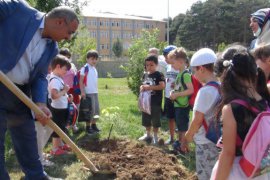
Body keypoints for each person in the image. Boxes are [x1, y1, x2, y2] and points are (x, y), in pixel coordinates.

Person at [0, 0, 79, 179]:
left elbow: (40, 76)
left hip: (19, 93)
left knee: (27, 136)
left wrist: (41, 103)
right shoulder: (18, 9)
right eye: (70, 32)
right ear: (59, 21)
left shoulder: (52, 47)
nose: (69, 37)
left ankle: (36, 176)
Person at [210, 47, 270, 180]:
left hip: (239, 171)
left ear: (228, 75)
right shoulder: (265, 102)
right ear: (256, 73)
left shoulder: (232, 108)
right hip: (262, 170)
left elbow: (228, 154)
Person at [182, 48, 219, 180]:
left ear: (201, 69)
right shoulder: (221, 86)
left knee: (206, 175)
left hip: (205, 142)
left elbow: (197, 120)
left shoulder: (205, 92)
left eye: (194, 70)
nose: (193, 75)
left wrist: (187, 137)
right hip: (218, 140)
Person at [168, 47, 194, 152]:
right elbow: (181, 87)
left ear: (181, 61)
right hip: (178, 105)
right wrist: (173, 91)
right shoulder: (180, 73)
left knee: (183, 129)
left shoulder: (186, 74)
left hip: (183, 106)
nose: (171, 65)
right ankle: (180, 145)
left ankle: (184, 148)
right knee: (180, 127)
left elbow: (190, 90)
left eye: (173, 63)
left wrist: (177, 95)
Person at [138, 55, 165, 144]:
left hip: (155, 102)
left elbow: (162, 86)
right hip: (146, 102)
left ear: (156, 65)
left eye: (151, 65)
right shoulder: (145, 75)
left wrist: (149, 87)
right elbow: (143, 85)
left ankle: (155, 136)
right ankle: (148, 134)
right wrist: (142, 87)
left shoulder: (159, 74)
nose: (149, 67)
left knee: (155, 120)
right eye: (147, 65)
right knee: (146, 119)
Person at [48, 55, 72, 156]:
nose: (66, 72)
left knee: (61, 128)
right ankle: (54, 149)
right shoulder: (54, 80)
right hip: (57, 109)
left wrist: (67, 96)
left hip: (62, 108)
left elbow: (61, 93)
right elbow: (54, 95)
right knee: (57, 130)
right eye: (65, 70)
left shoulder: (58, 78)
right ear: (58, 67)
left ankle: (60, 144)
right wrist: (65, 91)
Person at [79, 50, 101, 135]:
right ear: (87, 59)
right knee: (89, 111)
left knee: (96, 110)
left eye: (96, 59)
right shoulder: (85, 68)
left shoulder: (94, 69)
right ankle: (88, 127)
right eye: (92, 59)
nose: (94, 61)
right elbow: (81, 81)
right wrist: (82, 92)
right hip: (88, 93)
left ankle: (94, 125)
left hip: (95, 92)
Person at [60, 48, 79, 133]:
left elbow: (76, 75)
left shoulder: (72, 65)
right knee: (66, 108)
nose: (67, 58)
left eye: (68, 56)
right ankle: (65, 126)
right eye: (65, 56)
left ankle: (74, 124)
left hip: (73, 89)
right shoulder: (58, 66)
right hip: (64, 90)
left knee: (75, 107)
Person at [162, 45, 178, 144]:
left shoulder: (180, 68)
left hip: (178, 97)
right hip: (168, 97)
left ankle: (181, 139)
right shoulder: (167, 67)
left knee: (179, 119)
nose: (165, 59)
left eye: (166, 56)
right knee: (170, 118)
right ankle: (172, 138)